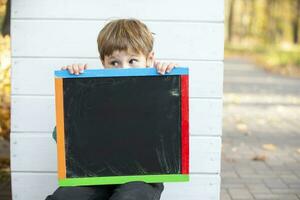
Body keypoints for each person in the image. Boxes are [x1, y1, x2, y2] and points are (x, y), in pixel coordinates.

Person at [46, 18, 177, 200]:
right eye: (115, 62)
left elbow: (172, 134)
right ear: (103, 62)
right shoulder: (90, 92)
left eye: (132, 60)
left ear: (149, 59)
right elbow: (59, 137)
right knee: (67, 196)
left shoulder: (159, 89)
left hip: (142, 176)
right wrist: (73, 90)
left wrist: (169, 84)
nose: (124, 69)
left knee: (131, 197)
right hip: (94, 175)